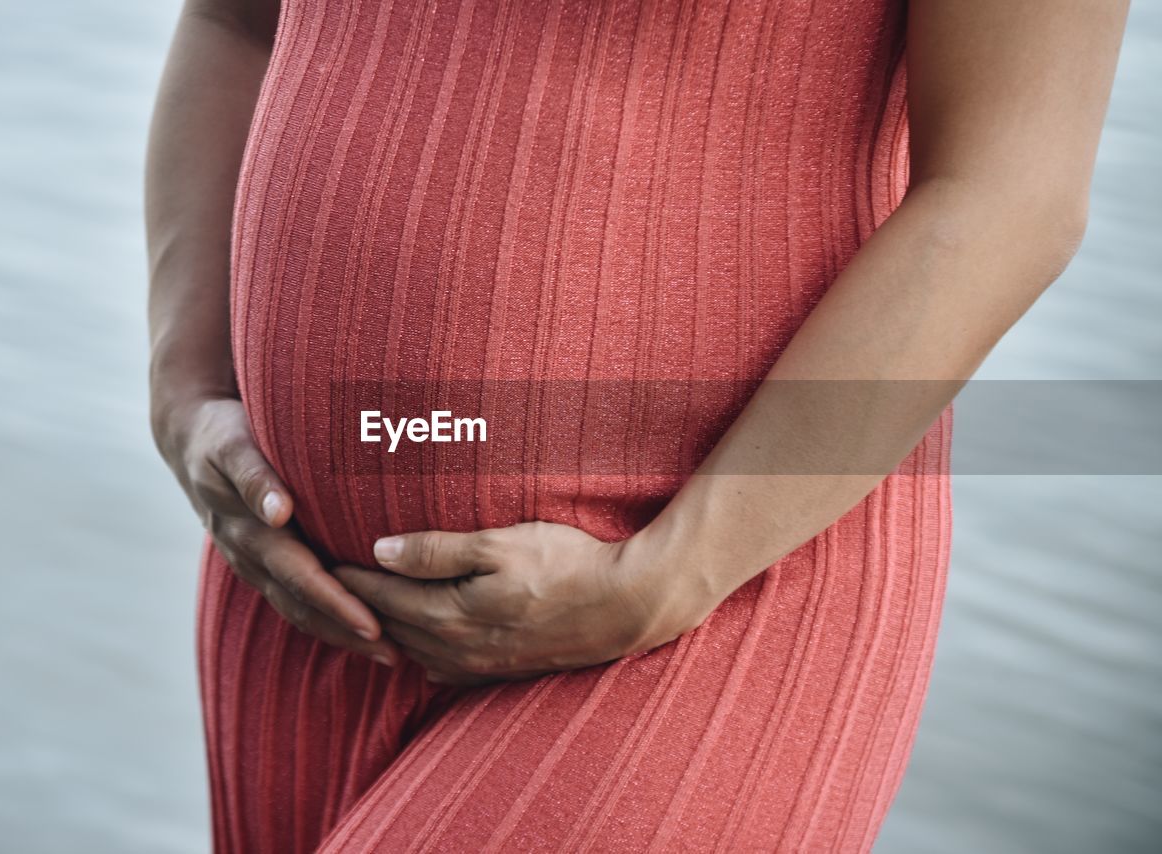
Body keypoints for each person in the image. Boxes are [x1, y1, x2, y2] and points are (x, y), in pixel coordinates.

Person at [144, 0, 1129, 849]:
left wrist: (671, 573)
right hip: (293, 595)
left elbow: (1012, 190)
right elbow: (233, 22)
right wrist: (182, 383)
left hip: (697, 599)